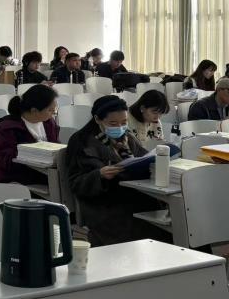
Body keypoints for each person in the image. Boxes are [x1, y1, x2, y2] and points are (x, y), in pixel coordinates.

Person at [66, 95, 169, 246]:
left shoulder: (127, 137)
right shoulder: (82, 141)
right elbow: (76, 182)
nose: (119, 127)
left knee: (163, 213)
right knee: (142, 218)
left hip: (133, 193)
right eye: (113, 123)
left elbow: (144, 158)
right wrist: (99, 175)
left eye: (124, 122)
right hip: (105, 203)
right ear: (98, 119)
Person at [0, 85, 60, 184]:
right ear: (34, 111)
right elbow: (5, 161)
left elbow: (56, 146)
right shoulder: (7, 128)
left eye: (54, 109)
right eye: (50, 110)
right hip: (19, 178)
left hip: (48, 174)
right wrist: (35, 155)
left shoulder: (49, 123)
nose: (54, 113)